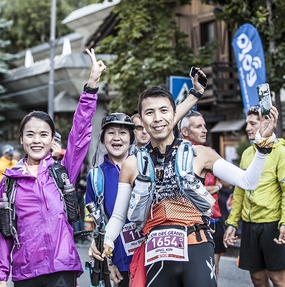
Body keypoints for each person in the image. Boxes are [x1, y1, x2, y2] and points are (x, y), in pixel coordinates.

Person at [89, 82, 278, 287]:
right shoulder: (132, 165)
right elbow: (118, 216)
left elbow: (247, 181)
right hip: (156, 253)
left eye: (163, 110)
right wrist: (106, 241)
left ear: (174, 115)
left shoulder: (200, 154)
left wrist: (262, 145)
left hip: (196, 245)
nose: (157, 118)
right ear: (142, 121)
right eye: (149, 112)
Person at [0, 48, 105, 287]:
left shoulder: (61, 172)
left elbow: (80, 135)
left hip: (62, 268)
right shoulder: (10, 181)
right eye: (30, 134)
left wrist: (91, 85)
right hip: (27, 274)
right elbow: (3, 232)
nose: (36, 140)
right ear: (21, 139)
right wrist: (2, 276)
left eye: (44, 134)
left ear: (51, 139)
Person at [86, 78, 205, 287]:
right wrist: (107, 260)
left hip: (157, 252)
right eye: (110, 133)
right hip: (121, 262)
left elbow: (169, 119)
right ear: (103, 139)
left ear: (132, 138)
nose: (117, 138)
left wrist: (195, 93)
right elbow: (99, 223)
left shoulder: (147, 161)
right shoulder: (96, 177)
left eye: (123, 133)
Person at [223, 104, 285, 287]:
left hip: (272, 223)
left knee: (278, 279)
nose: (247, 128)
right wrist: (232, 223)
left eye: (252, 123)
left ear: (266, 123)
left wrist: (284, 222)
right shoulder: (247, 153)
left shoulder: (281, 151)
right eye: (247, 123)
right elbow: (239, 191)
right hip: (250, 225)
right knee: (257, 279)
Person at [179, 110, 227, 283]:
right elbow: (184, 191)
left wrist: (216, 185)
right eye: (199, 126)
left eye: (205, 126)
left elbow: (228, 182)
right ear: (185, 131)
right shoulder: (176, 154)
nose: (204, 130)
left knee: (212, 271)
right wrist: (214, 188)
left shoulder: (210, 152)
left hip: (213, 219)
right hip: (187, 224)